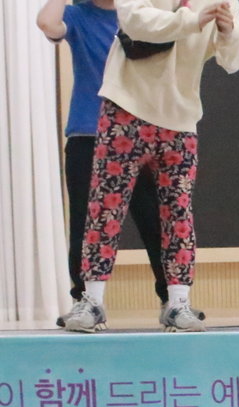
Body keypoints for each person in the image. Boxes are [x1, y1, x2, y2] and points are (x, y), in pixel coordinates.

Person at [62, 0, 239, 333]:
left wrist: (227, 31)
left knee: (178, 213)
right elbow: (135, 21)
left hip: (180, 118)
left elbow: (234, 59)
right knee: (105, 207)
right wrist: (193, 20)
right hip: (125, 107)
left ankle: (178, 303)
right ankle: (91, 301)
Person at [36, 0, 189, 326]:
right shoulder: (78, 14)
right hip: (88, 134)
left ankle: (172, 301)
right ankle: (86, 303)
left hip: (141, 132)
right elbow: (47, 23)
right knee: (85, 222)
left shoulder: (142, 13)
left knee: (157, 220)